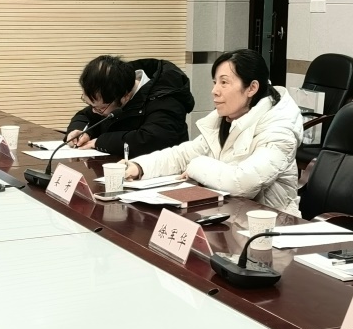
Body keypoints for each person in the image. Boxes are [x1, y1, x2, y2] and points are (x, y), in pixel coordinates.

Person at [125, 49, 303, 212]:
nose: (214, 91)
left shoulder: (280, 131)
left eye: (224, 82)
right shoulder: (228, 118)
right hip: (227, 214)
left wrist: (195, 166)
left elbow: (242, 183)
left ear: (252, 88)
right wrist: (140, 166)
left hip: (271, 224)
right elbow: (184, 154)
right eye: (215, 82)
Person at [65, 55, 194, 157]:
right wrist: (80, 131)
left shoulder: (166, 101)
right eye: (90, 104)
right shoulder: (114, 89)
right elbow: (85, 115)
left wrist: (100, 142)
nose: (94, 111)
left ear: (125, 97)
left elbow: (150, 140)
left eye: (100, 108)